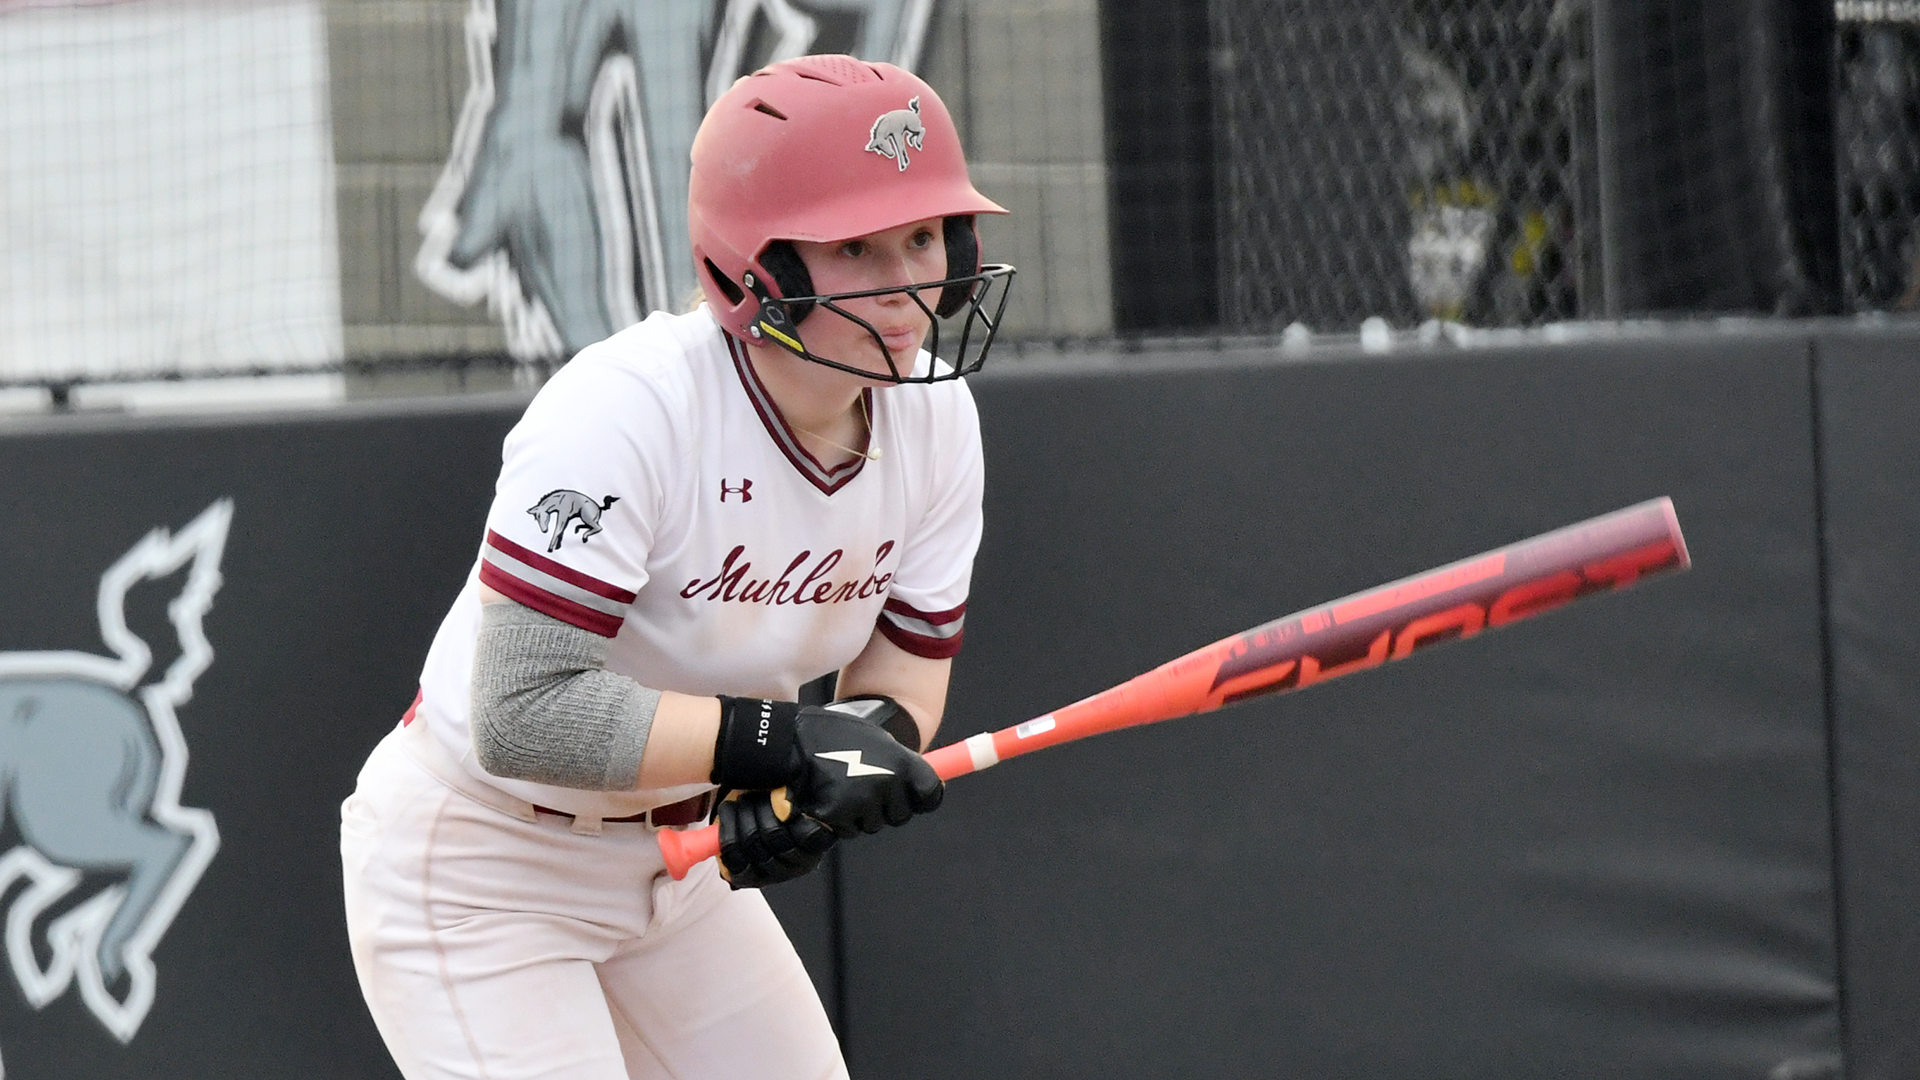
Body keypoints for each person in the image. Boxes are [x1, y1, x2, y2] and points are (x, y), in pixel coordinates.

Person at [339, 54, 1013, 1080]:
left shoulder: (937, 418)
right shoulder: (628, 408)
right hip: (484, 858)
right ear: (760, 271)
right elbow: (528, 710)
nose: (907, 289)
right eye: (856, 249)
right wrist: (778, 741)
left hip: (677, 865)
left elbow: (904, 675)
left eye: (924, 238)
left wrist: (847, 767)